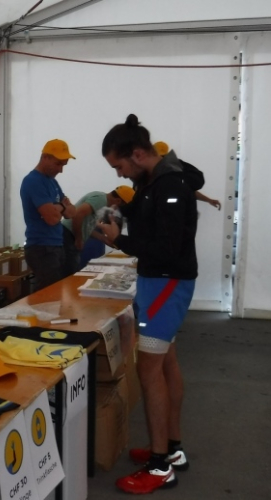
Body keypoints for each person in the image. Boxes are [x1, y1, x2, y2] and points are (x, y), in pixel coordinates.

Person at [97, 115, 197, 495]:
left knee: (149, 370)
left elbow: (166, 249)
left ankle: (159, 466)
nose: (120, 174)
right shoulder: (153, 182)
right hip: (160, 284)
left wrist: (120, 242)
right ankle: (171, 449)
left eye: (120, 166)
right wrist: (114, 215)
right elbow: (137, 212)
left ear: (138, 154)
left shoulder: (170, 185)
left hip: (166, 284)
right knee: (166, 363)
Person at [20, 139, 77, 291]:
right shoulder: (33, 181)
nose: (61, 170)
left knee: (56, 293)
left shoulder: (52, 182)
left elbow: (72, 212)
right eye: (58, 164)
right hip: (42, 248)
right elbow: (52, 219)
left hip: (56, 245)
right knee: (49, 295)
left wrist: (58, 208)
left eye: (63, 165)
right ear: (45, 157)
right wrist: (63, 206)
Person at [61, 185, 135, 276]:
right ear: (118, 201)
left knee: (72, 269)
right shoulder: (100, 199)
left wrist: (103, 238)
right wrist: (78, 239)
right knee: (69, 272)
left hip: (70, 236)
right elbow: (77, 215)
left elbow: (86, 226)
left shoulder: (102, 203)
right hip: (68, 236)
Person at [153, 141, 221, 210]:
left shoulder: (172, 171)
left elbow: (187, 189)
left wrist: (208, 200)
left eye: (163, 156)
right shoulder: (161, 171)